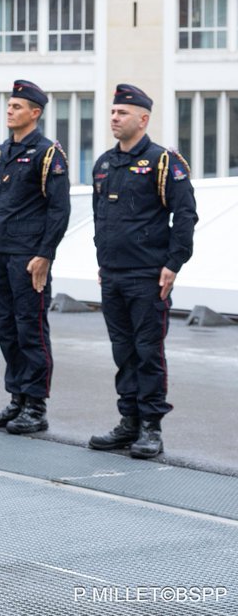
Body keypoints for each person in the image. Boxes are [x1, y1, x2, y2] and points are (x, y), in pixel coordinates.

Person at [88, 84, 196, 460]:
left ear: (143, 119)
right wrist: (102, 262)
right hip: (114, 274)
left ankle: (151, 427)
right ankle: (128, 422)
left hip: (149, 274)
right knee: (123, 351)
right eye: (113, 112)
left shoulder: (164, 162)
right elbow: (101, 218)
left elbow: (185, 215)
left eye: (122, 113)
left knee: (148, 351)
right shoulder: (104, 163)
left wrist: (173, 264)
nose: (114, 118)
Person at [0, 80, 71, 435]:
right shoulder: (1, 151)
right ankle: (17, 397)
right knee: (7, 329)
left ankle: (36, 404)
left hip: (28, 257)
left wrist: (45, 254)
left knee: (30, 330)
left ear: (35, 113)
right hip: (1, 253)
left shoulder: (48, 154)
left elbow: (59, 209)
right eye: (9, 105)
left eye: (17, 107)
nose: (9, 110)